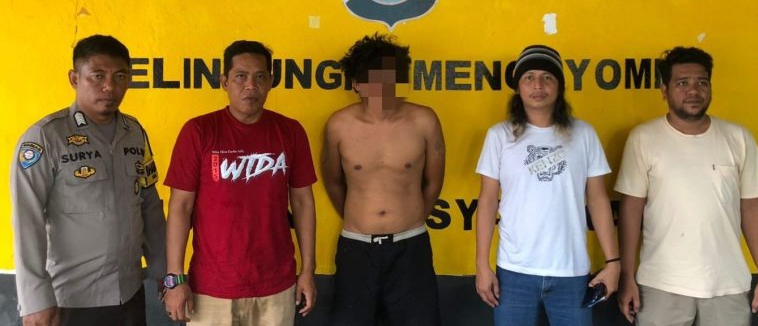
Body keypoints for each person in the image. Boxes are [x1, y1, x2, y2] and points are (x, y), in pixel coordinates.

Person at [10, 34, 166, 326]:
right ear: (74, 78)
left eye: (120, 76)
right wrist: (35, 299)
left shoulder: (134, 133)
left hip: (129, 292)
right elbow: (26, 220)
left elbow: (149, 204)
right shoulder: (46, 138)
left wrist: (164, 272)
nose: (110, 87)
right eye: (98, 76)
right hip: (72, 298)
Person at [162, 40, 317, 326]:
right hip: (211, 287)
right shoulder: (199, 131)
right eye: (240, 76)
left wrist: (308, 270)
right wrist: (175, 279)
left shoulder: (290, 131)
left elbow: (303, 202)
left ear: (271, 81)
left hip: (276, 284)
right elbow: (180, 207)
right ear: (224, 82)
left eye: (260, 77)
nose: (250, 86)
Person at [616, 46, 758, 325]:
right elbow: (630, 211)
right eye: (682, 83)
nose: (693, 91)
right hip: (661, 284)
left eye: (702, 82)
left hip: (728, 284)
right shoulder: (644, 139)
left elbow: (751, 208)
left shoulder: (738, 138)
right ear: (664, 90)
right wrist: (627, 276)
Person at [474, 44, 620, 326]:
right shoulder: (500, 136)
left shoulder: (584, 134)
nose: (538, 85)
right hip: (514, 272)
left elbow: (598, 199)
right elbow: (488, 201)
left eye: (547, 77)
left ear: (559, 87)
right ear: (518, 87)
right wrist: (482, 266)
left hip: (571, 272)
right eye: (529, 77)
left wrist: (613, 262)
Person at [322, 34, 445, 326]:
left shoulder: (424, 120)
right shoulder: (338, 125)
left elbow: (433, 182)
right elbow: (333, 182)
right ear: (356, 83)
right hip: (356, 249)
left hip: (410, 247)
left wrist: (411, 217)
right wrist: (360, 218)